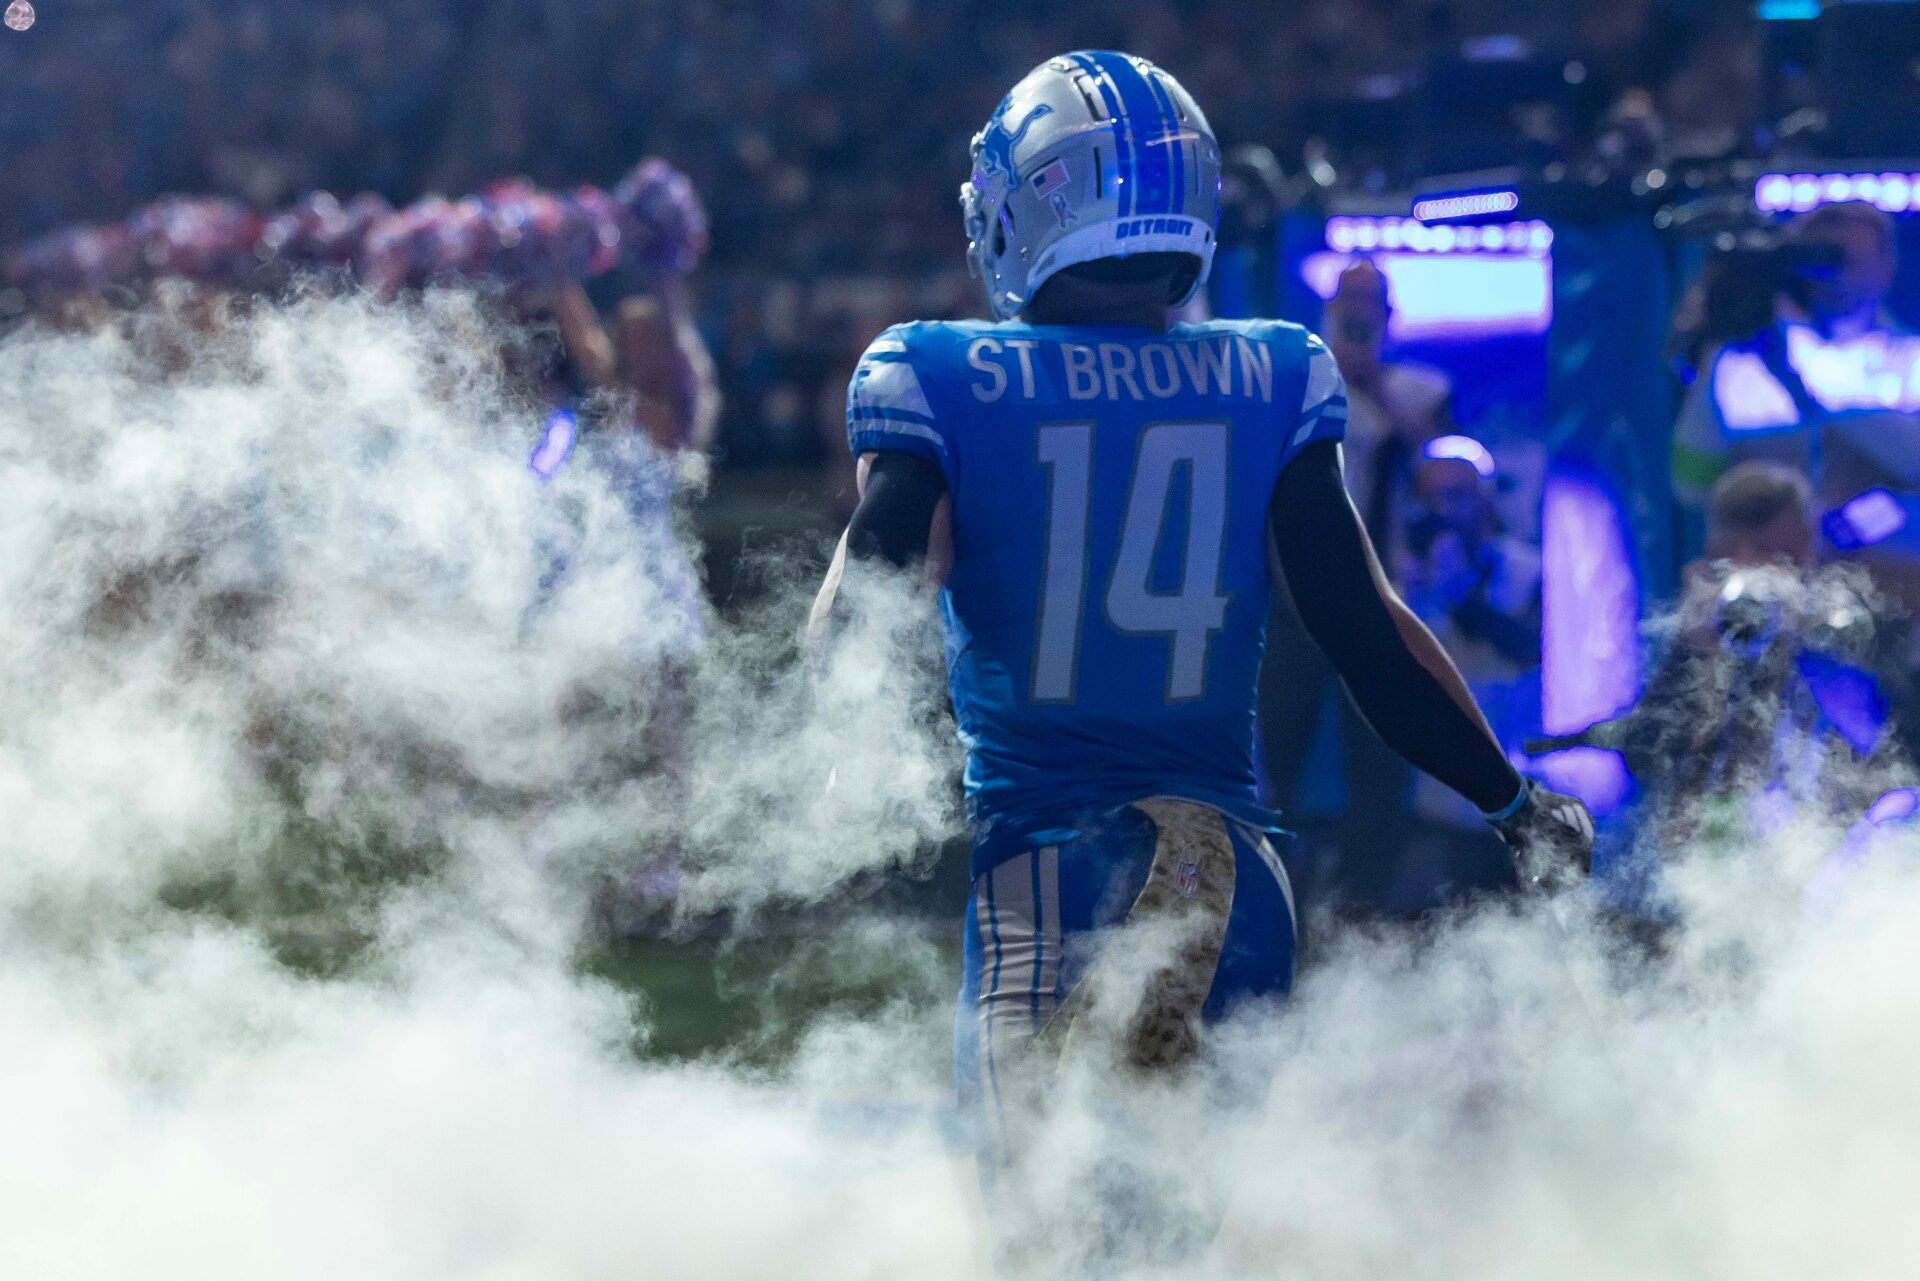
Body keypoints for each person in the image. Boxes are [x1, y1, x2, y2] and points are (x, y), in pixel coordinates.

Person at [806, 51, 1594, 1271]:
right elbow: (1364, 634)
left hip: (1057, 876)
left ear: (1032, 202)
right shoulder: (1270, 370)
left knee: (1050, 1248)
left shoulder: (937, 373)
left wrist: (811, 772)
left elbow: (862, 623)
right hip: (1239, 887)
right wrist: (1514, 802)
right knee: (1159, 1248)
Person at [1393, 437, 1544, 906]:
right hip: (1432, 800)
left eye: (1457, 495)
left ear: (1484, 497)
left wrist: (1460, 594)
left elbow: (1529, 647)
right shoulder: (1396, 584)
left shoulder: (1528, 568)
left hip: (1514, 779)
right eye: (1432, 498)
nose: (1445, 510)